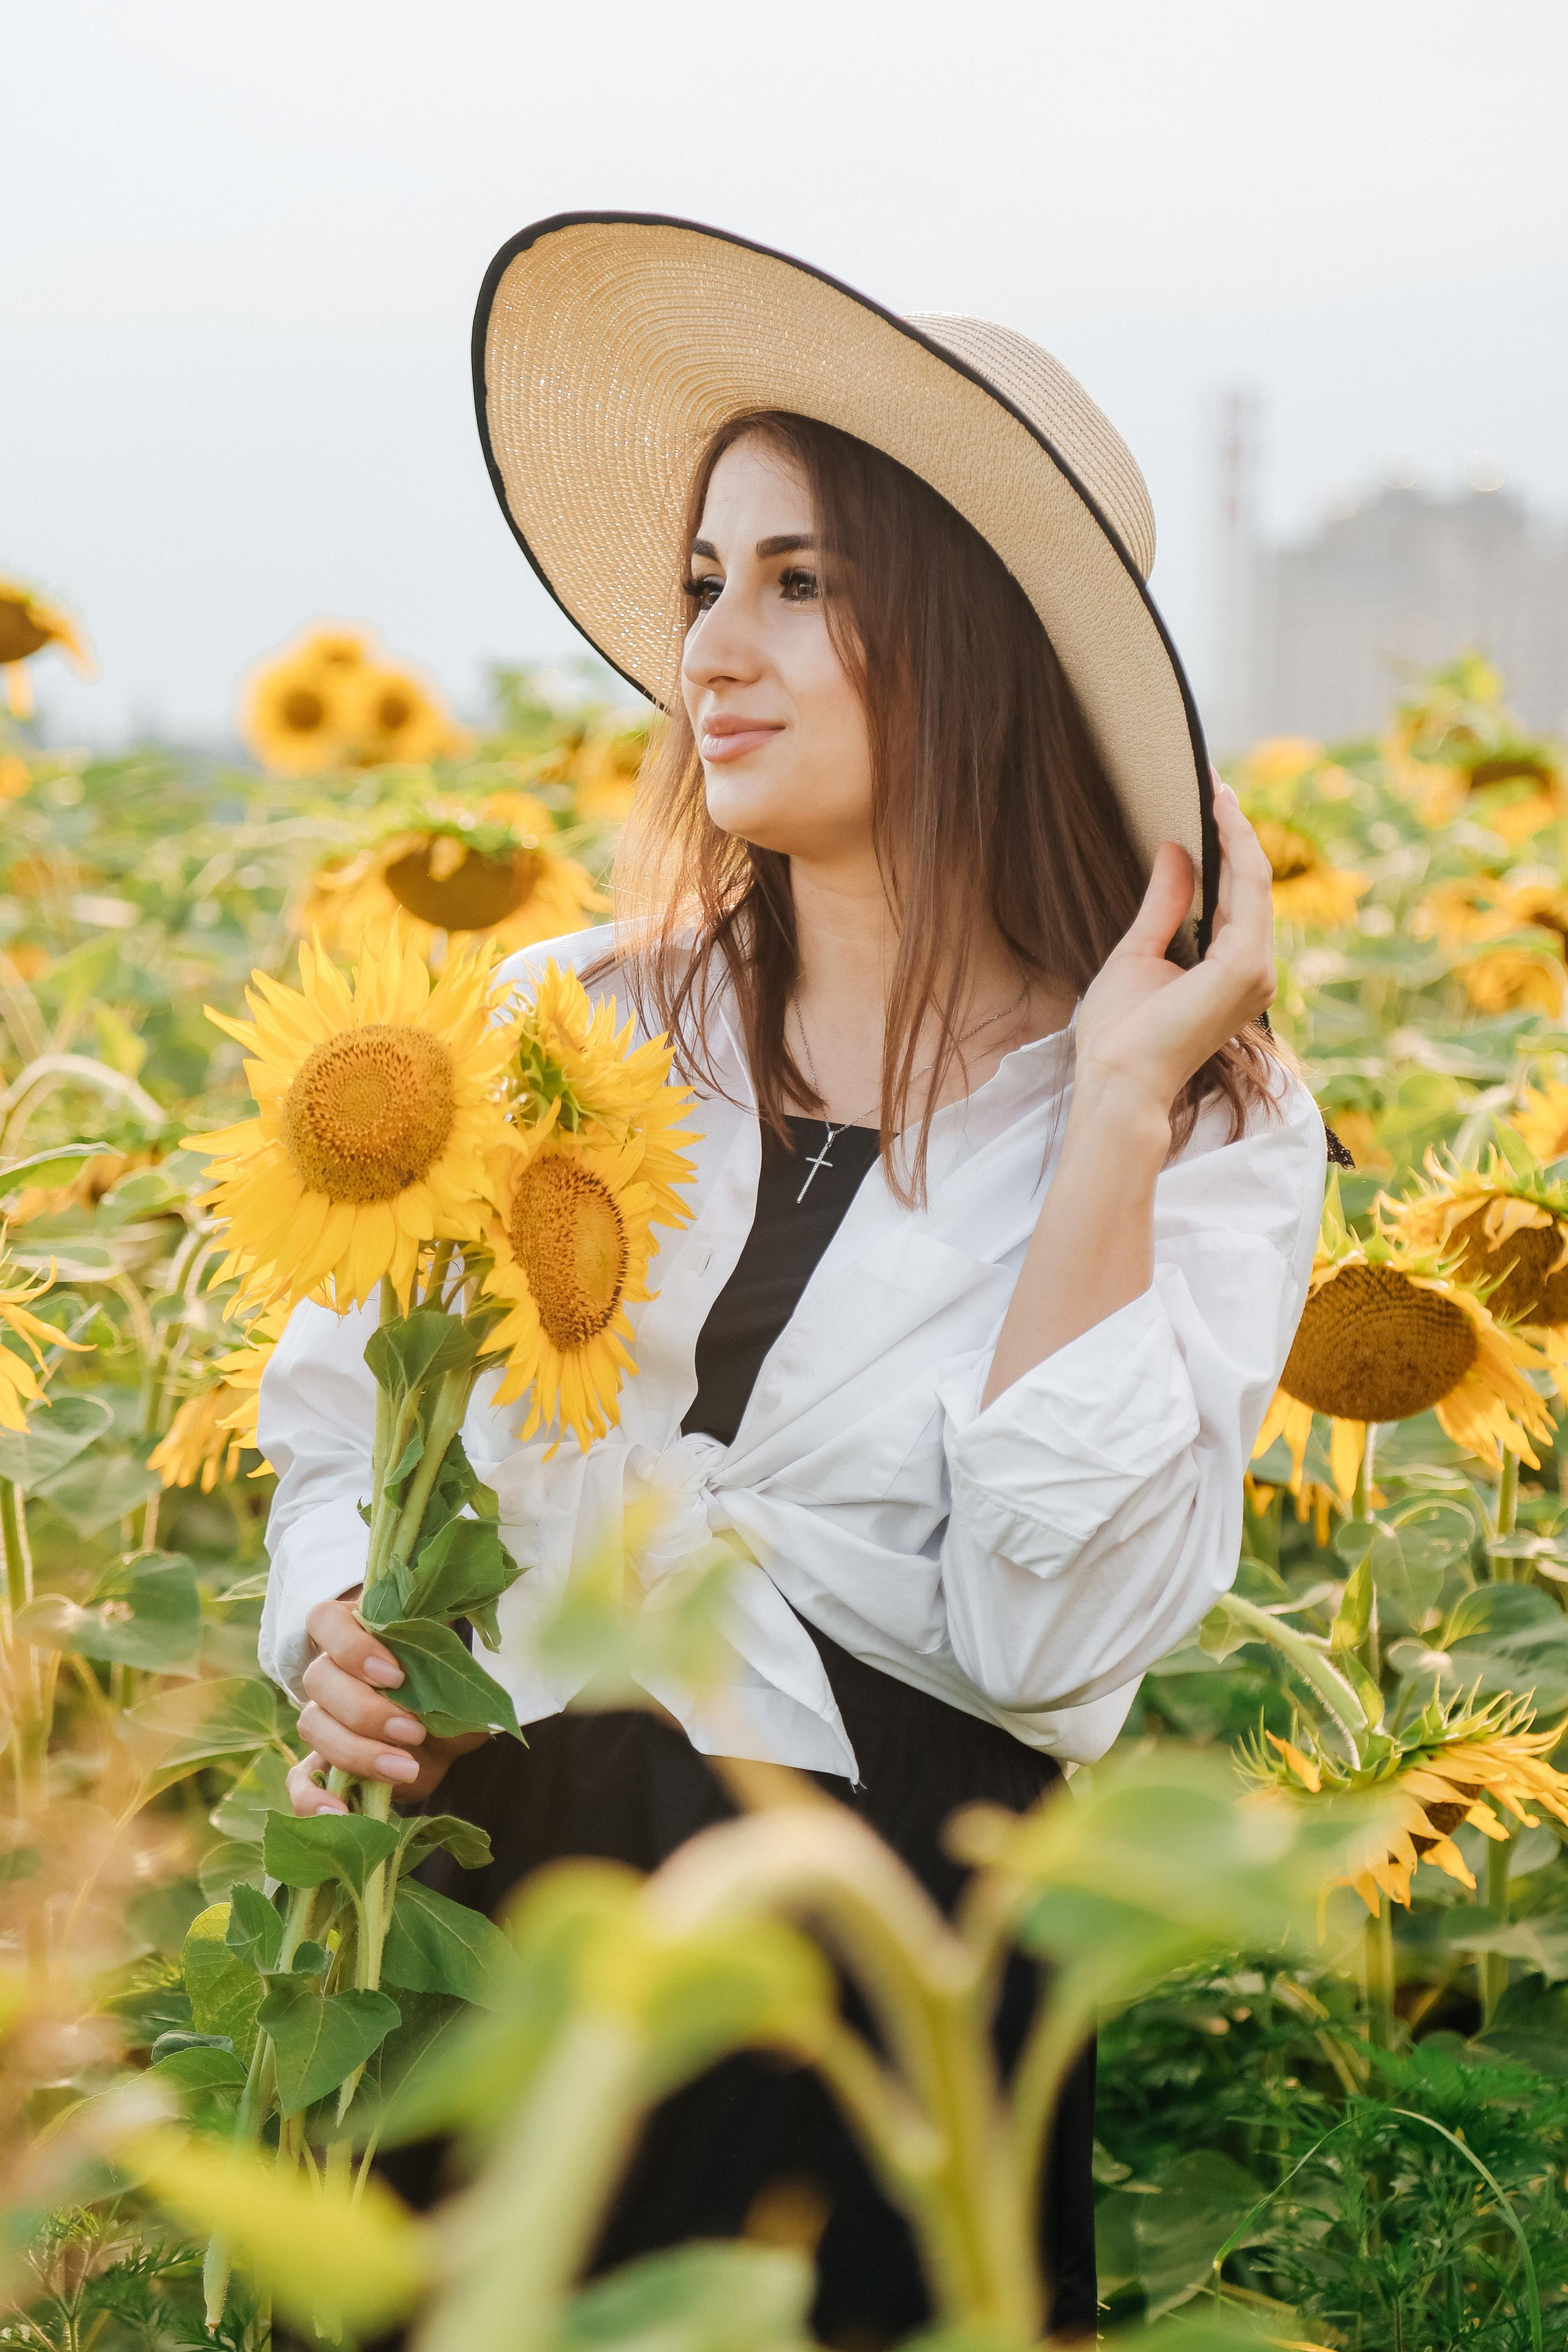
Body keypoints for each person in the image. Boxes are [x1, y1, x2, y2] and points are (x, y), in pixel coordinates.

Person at [258, 216, 1325, 2346]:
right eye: (704, 582)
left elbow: (1047, 1638)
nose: (713, 652)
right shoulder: (561, 1017)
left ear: (983, 636)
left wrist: (1112, 1106)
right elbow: (332, 1429)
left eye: (805, 583)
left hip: (887, 2008)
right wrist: (336, 1632)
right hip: (507, 1942)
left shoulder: (1201, 1133)